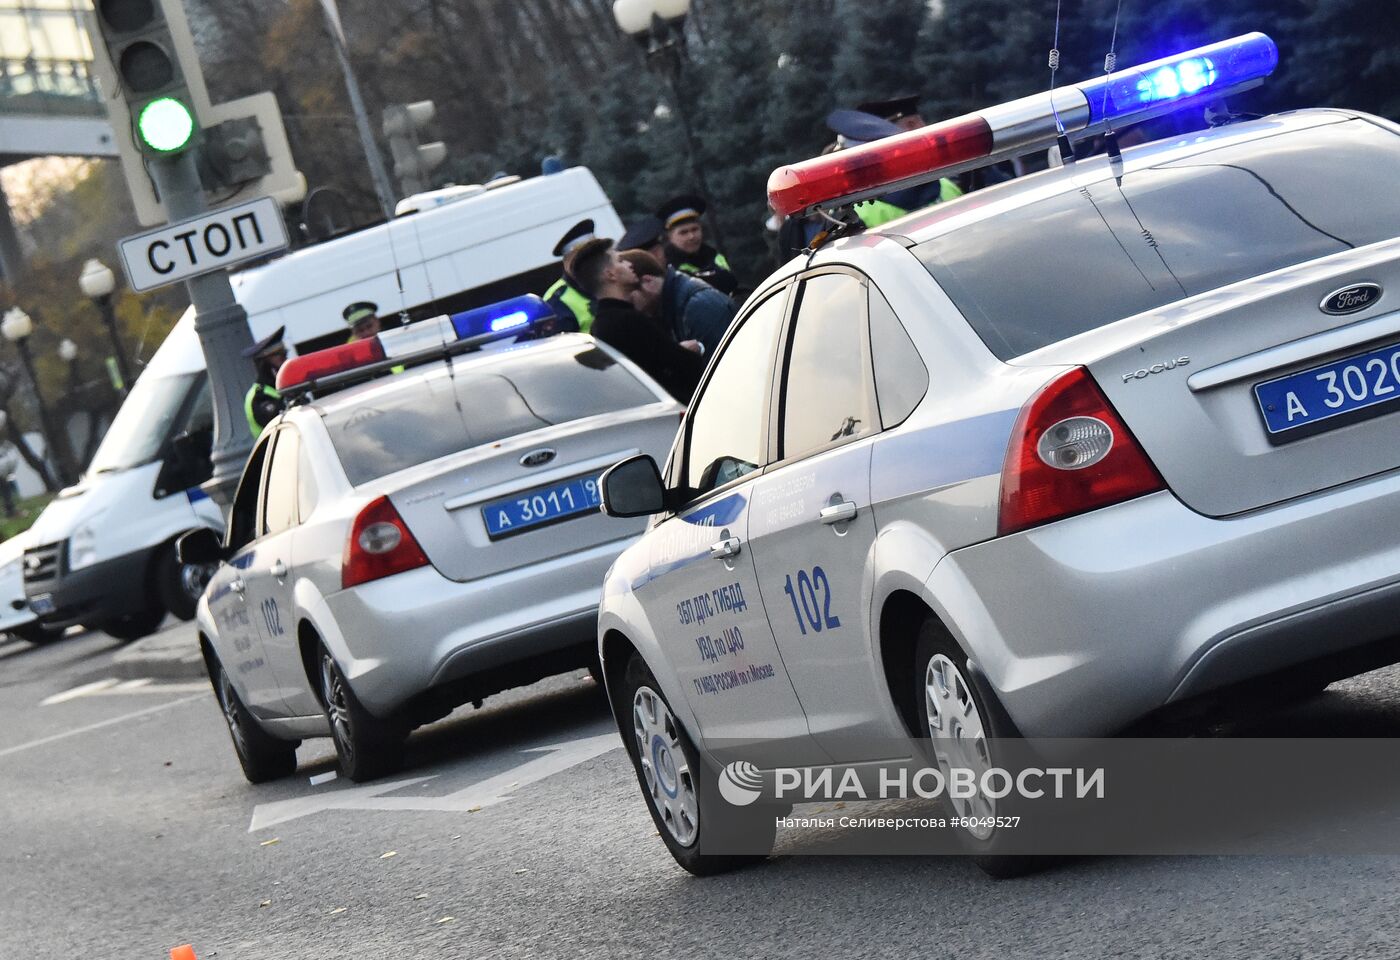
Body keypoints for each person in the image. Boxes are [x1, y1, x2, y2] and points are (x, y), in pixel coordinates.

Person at [570, 238, 706, 403]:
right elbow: (684, 368)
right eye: (620, 261)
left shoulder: (601, 325)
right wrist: (694, 349)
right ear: (610, 274)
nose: (629, 264)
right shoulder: (628, 321)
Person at [619, 249, 736, 357]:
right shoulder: (672, 306)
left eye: (627, 295)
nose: (625, 304)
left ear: (648, 281)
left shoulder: (699, 308)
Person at [656, 195, 738, 297]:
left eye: (695, 229)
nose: (691, 236)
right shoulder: (667, 268)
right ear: (670, 237)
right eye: (683, 232)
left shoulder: (715, 257)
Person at [543, 219, 597, 333]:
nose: (594, 261)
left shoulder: (606, 279)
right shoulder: (557, 300)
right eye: (585, 256)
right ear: (569, 260)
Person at [243, 326, 288, 439]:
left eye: (284, 353)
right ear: (264, 363)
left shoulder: (285, 387)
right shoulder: (259, 398)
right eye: (280, 356)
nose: (285, 360)